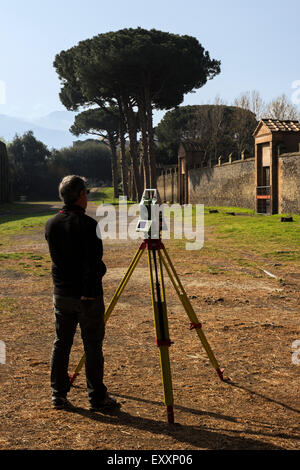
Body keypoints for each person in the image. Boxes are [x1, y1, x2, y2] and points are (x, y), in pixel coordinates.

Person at [45, 175, 120, 412]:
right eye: (85, 192)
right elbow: (93, 264)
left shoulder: (51, 224)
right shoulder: (89, 226)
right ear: (79, 196)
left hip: (62, 293)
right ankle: (97, 397)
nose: (87, 196)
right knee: (92, 346)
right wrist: (91, 287)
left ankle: (58, 394)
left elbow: (60, 260)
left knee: (62, 343)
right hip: (87, 296)